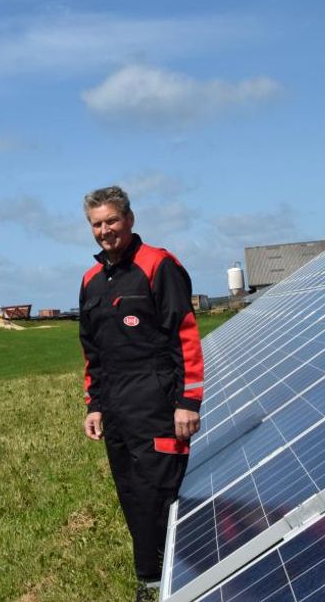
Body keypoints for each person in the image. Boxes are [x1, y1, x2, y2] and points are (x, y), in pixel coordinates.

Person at [78, 186, 204, 602]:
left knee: (157, 497)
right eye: (97, 224)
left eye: (111, 220)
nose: (105, 230)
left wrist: (187, 401)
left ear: (129, 220)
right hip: (116, 410)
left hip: (158, 406)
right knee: (131, 494)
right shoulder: (91, 280)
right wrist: (94, 405)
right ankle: (152, 580)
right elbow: (91, 351)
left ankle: (161, 585)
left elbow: (184, 335)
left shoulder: (158, 265)